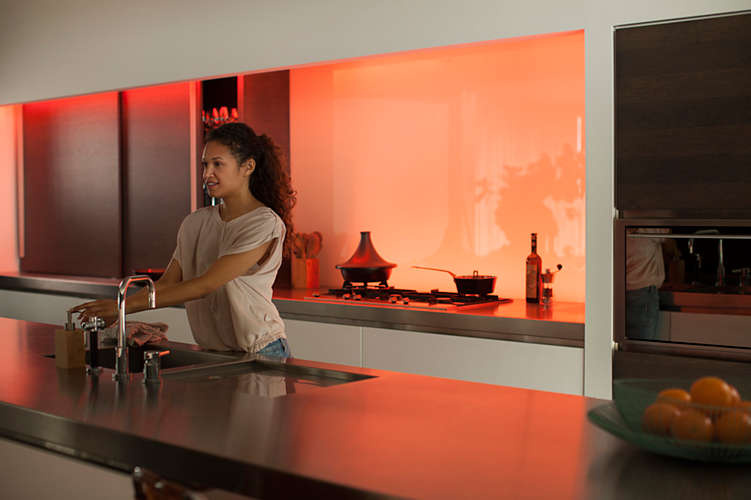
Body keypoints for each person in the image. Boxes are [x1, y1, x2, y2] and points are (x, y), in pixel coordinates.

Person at [71, 123, 296, 357]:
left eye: (217, 164)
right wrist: (119, 307)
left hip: (262, 350)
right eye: (205, 165)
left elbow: (206, 285)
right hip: (215, 352)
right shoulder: (195, 222)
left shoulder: (263, 223)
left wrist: (121, 307)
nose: (207, 174)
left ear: (248, 166)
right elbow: (168, 283)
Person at [625, 228, 676, 341]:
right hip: (644, 293)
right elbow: (670, 245)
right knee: (642, 345)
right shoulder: (648, 228)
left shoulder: (620, 230)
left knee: (627, 344)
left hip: (621, 292)